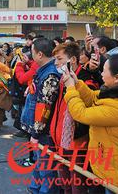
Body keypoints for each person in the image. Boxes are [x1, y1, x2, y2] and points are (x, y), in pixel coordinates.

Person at [62, 54, 118, 191]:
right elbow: (91, 98)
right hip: (107, 168)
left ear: (117, 78)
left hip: (116, 178)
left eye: (104, 70)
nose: (100, 73)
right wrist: (77, 83)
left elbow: (81, 114)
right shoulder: (111, 92)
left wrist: (70, 89)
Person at [51, 42, 97, 194]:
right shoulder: (62, 78)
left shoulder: (85, 79)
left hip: (77, 143)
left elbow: (84, 110)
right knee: (65, 184)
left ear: (72, 60)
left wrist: (73, 85)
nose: (56, 63)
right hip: (59, 140)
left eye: (59, 59)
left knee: (77, 185)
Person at [20, 38, 61, 193]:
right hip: (38, 129)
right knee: (39, 162)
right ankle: (35, 188)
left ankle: (46, 191)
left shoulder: (50, 75)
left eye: (32, 53)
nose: (31, 56)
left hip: (44, 131)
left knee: (46, 167)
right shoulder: (43, 70)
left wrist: (36, 133)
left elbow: (45, 108)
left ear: (40, 54)